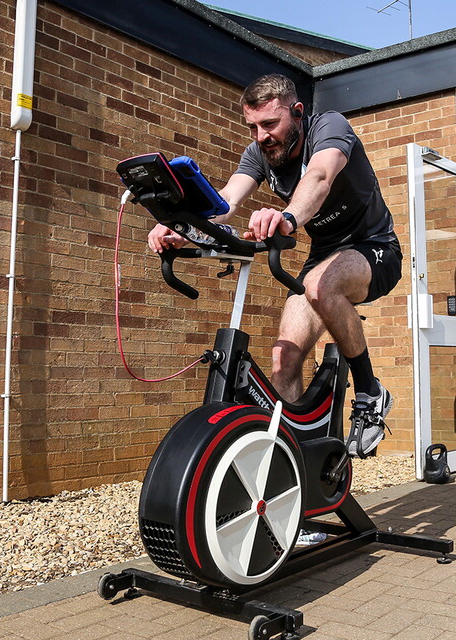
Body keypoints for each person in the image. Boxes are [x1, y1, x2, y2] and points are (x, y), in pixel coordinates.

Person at [148, 74, 402, 459]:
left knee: (319, 285)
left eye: (270, 124)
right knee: (283, 359)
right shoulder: (259, 154)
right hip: (325, 257)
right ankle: (294, 465)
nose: (262, 136)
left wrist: (286, 218)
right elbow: (226, 201)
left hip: (374, 248)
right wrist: (183, 228)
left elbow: (320, 175)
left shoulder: (329, 127)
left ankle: (369, 392)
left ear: (297, 113)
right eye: (253, 126)